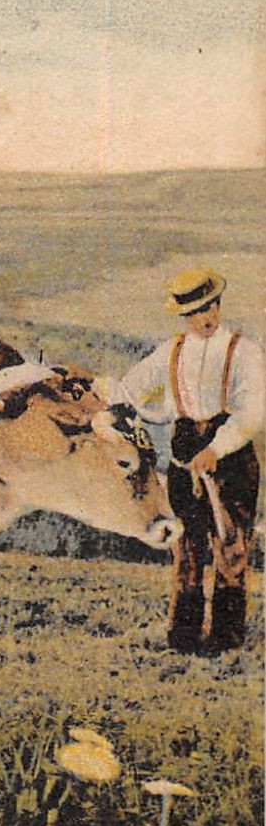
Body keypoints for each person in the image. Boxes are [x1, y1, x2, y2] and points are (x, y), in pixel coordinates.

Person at [115, 270, 262, 654]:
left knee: (230, 547)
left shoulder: (243, 350)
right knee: (187, 547)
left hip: (230, 455)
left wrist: (218, 447)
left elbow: (254, 411)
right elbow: (129, 389)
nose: (205, 317)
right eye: (196, 311)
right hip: (183, 452)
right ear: (183, 315)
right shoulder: (172, 351)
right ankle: (183, 638)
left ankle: (225, 641)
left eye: (210, 307)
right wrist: (131, 411)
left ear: (219, 305)